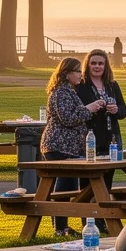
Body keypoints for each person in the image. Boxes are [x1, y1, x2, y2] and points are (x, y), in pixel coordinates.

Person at [42, 57, 104, 236]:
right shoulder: (61, 92)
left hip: (67, 146)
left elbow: (72, 114)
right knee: (65, 186)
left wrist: (88, 108)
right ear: (66, 73)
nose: (80, 75)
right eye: (77, 71)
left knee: (67, 185)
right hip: (58, 145)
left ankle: (61, 226)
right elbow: (67, 118)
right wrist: (89, 109)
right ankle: (60, 227)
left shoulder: (69, 91)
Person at [76, 48, 126, 156]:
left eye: (100, 63)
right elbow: (76, 111)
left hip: (112, 136)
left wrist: (116, 110)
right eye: (93, 63)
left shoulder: (112, 85)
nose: (97, 66)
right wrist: (91, 108)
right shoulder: (81, 85)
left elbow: (123, 110)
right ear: (88, 65)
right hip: (90, 136)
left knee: (110, 169)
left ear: (105, 66)